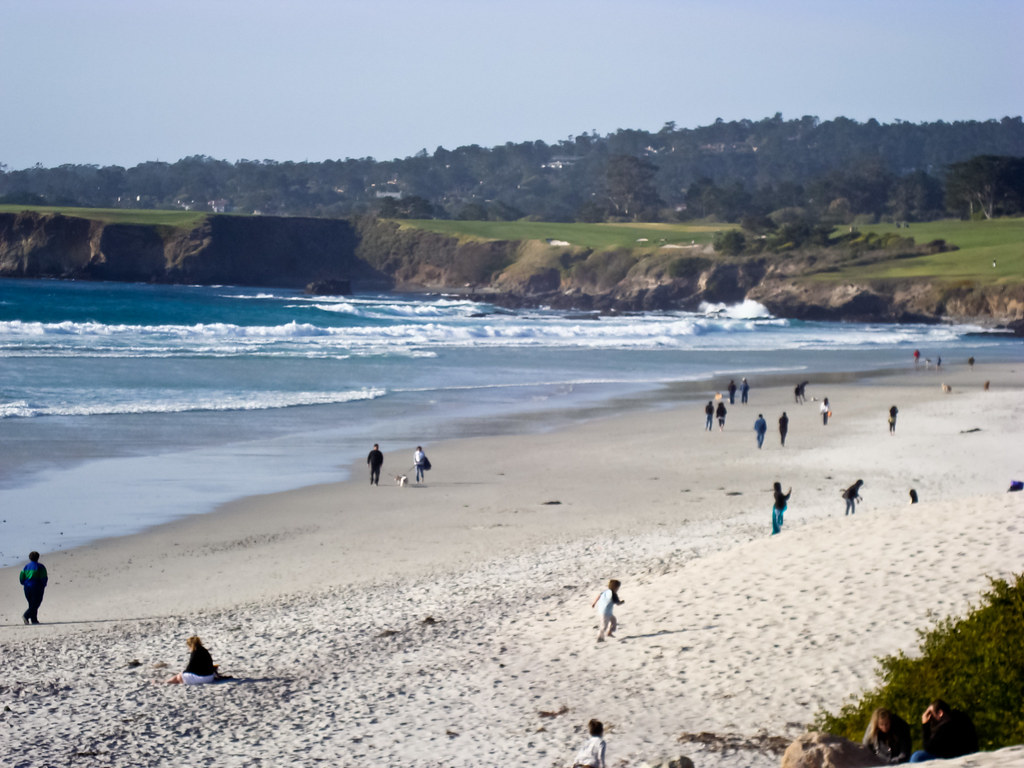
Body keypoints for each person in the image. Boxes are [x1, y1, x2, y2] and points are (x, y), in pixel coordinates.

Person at [909, 699, 978, 762]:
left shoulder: (946, 728)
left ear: (940, 713)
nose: (930, 718)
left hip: (953, 757)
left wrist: (925, 725)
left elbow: (929, 748)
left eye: (931, 714)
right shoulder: (961, 718)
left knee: (917, 756)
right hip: (965, 754)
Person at [19, 551, 48, 625]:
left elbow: (21, 577)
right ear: (38, 557)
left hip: (27, 587)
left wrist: (24, 583)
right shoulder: (40, 566)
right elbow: (44, 577)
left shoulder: (26, 566)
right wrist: (43, 585)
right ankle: (26, 615)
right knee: (36, 603)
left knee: (31, 603)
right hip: (36, 587)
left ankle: (34, 619)